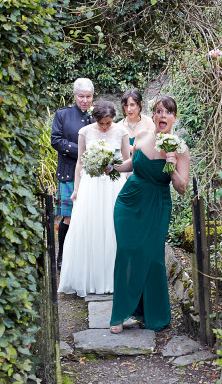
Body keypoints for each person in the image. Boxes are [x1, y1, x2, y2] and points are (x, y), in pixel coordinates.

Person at [107, 95, 190, 333]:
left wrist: (172, 167)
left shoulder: (181, 148)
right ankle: (120, 315)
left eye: (168, 112)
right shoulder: (142, 137)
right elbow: (131, 164)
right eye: (159, 111)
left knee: (153, 257)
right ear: (153, 115)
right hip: (129, 201)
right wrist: (111, 166)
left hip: (157, 203)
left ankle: (151, 314)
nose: (163, 115)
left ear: (175, 117)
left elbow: (182, 188)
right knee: (126, 253)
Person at [57, 101, 130, 297]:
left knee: (113, 227)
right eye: (101, 123)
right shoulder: (85, 132)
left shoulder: (122, 131)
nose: (105, 127)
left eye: (108, 123)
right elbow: (80, 162)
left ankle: (114, 278)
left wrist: (125, 181)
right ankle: (90, 279)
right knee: (91, 227)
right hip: (91, 185)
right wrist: (77, 189)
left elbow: (127, 161)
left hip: (114, 183)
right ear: (95, 119)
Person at [50, 78, 94, 268]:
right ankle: (62, 257)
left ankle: (82, 258)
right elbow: (56, 141)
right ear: (75, 95)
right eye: (81, 96)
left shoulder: (96, 116)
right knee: (68, 218)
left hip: (92, 174)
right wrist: (82, 150)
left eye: (89, 97)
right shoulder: (63, 115)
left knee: (88, 217)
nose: (85, 100)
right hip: (68, 172)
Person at [116, 88, 155, 157]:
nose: (129, 109)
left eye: (132, 105)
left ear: (140, 104)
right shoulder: (119, 126)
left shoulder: (148, 122)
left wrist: (129, 147)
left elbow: (153, 148)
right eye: (126, 105)